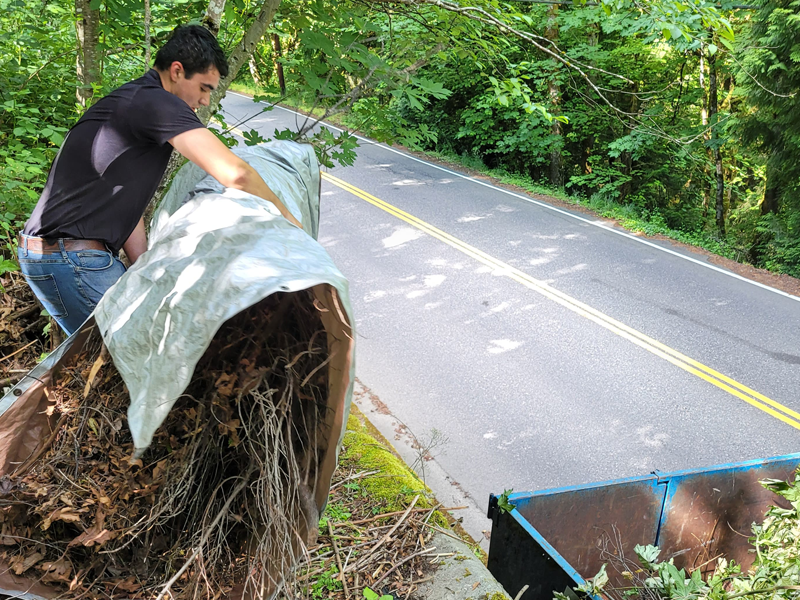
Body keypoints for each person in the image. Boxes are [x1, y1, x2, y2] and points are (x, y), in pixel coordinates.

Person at [18, 24, 301, 336]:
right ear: (177, 71)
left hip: (60, 254)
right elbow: (237, 174)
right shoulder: (158, 103)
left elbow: (125, 200)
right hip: (72, 258)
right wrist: (290, 222)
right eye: (205, 88)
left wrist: (145, 268)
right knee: (137, 359)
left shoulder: (134, 100)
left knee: (127, 359)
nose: (205, 100)